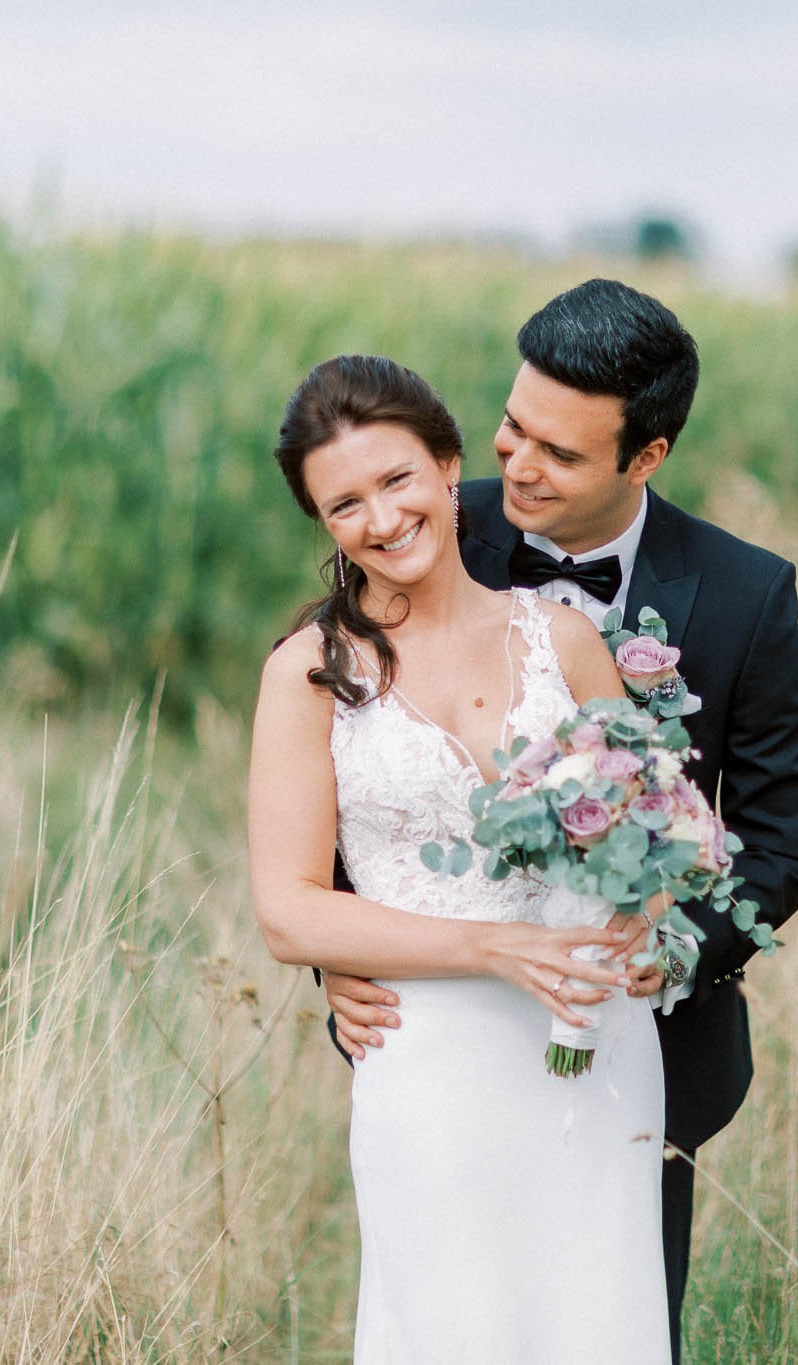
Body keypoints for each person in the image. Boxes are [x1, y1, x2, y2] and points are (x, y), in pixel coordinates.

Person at [323, 280, 798, 1361]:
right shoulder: (419, 531)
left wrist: (677, 943)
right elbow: (347, 746)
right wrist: (341, 947)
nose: (516, 465)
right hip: (440, 1038)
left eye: (558, 452)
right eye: (511, 427)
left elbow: (786, 836)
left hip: (640, 1045)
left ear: (643, 458)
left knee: (610, 1324)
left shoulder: (744, 595)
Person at [249, 354, 674, 1361]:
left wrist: (644, 917)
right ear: (322, 524)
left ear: (447, 469)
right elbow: (288, 911)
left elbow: (651, 845)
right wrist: (490, 946)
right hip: (429, 1056)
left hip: (591, 1040)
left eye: (395, 480)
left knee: (594, 1322)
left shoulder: (565, 642)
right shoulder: (309, 674)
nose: (381, 518)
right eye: (342, 503)